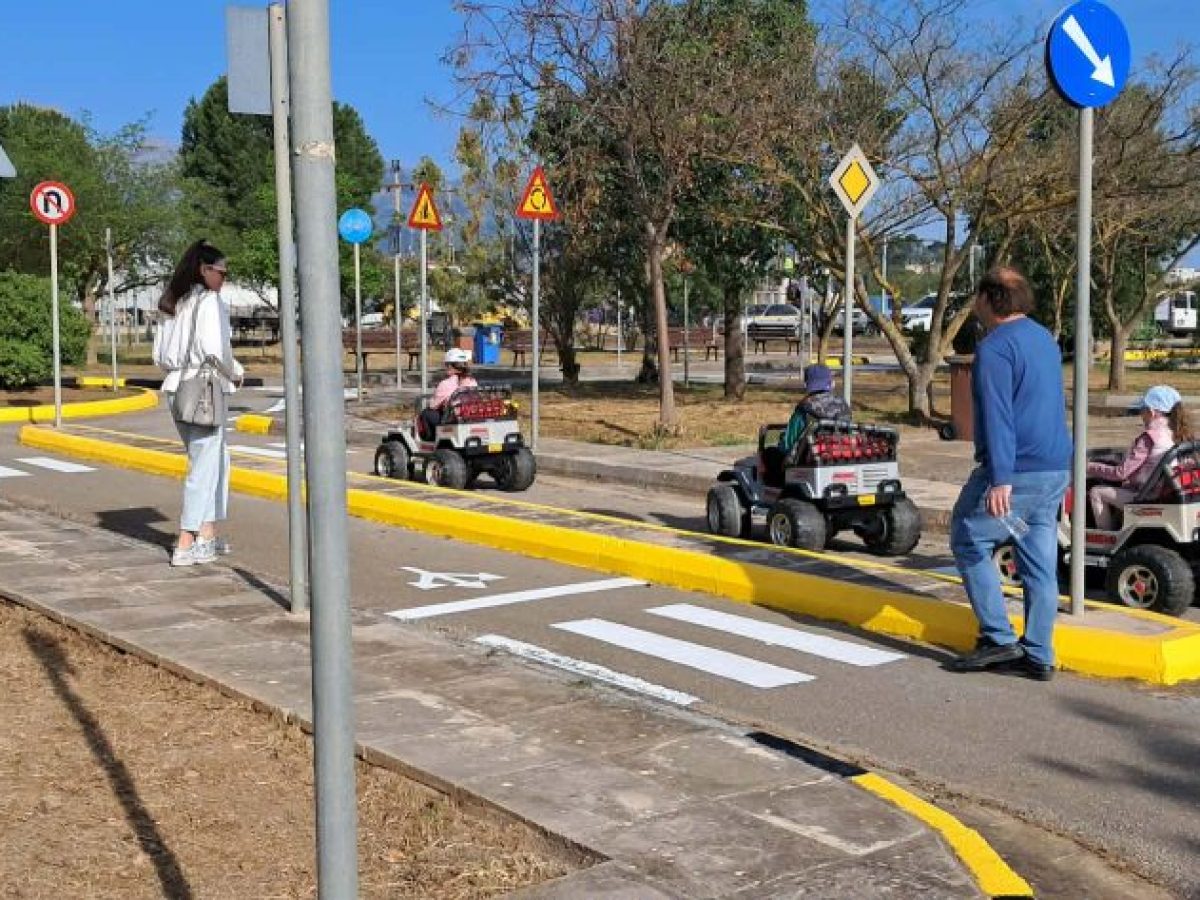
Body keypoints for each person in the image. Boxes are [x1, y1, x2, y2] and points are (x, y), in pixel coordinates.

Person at [949, 267, 1071, 681]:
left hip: (1016, 471)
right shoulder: (1044, 340)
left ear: (989, 299)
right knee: (1037, 559)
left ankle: (998, 638)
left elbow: (1000, 417)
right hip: (1054, 470)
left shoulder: (996, 347)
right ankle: (1038, 653)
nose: (975, 304)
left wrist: (1000, 478)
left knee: (968, 536)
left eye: (978, 296)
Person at [153, 240, 244, 567]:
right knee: (205, 466)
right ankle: (186, 541)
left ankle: (206, 535)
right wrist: (236, 372)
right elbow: (215, 350)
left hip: (175, 387)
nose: (224, 278)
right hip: (203, 388)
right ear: (205, 271)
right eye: (221, 271)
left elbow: (159, 356)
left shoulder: (171, 302)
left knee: (210, 460)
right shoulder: (209, 302)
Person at [1087, 386, 1188, 529]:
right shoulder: (1174, 433)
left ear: (1152, 412)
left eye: (1142, 410)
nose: (1140, 414)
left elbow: (1121, 473)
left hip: (1145, 497)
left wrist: (1089, 467)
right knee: (1119, 488)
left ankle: (1105, 537)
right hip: (1159, 492)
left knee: (1096, 492)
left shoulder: (1149, 437)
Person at [781, 364, 852, 456]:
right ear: (832, 384)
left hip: (809, 461)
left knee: (769, 453)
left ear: (805, 385)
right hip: (841, 457)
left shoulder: (804, 409)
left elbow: (789, 444)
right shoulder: (843, 406)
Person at [419, 348, 478, 437]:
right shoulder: (472, 381)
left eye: (446, 365)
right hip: (469, 416)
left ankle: (430, 438)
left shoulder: (445, 384)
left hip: (452, 420)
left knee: (426, 413)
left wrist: (431, 402)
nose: (445, 367)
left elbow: (433, 405)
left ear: (450, 366)